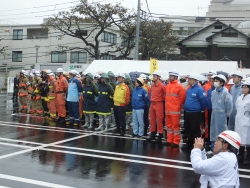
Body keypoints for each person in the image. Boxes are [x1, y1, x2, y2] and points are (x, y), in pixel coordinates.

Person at [182, 73, 207, 150]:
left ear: (195, 80)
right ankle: (189, 143)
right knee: (188, 129)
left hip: (195, 113)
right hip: (188, 112)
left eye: (190, 80)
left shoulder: (199, 90)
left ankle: (196, 145)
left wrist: (200, 109)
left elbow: (203, 101)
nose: (188, 81)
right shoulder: (189, 89)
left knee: (195, 129)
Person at [210, 75, 233, 150]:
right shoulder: (213, 92)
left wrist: (225, 115)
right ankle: (213, 147)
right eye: (214, 81)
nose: (215, 83)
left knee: (221, 132)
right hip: (214, 114)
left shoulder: (226, 93)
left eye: (217, 81)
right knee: (213, 131)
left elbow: (229, 106)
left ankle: (221, 148)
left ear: (222, 83)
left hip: (221, 115)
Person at [164, 69, 186, 148]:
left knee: (175, 126)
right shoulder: (168, 85)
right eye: (169, 76)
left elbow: (182, 98)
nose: (169, 77)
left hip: (175, 110)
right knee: (169, 126)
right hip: (168, 109)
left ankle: (176, 141)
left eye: (171, 76)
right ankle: (169, 140)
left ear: (175, 77)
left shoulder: (179, 86)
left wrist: (177, 105)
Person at [146, 70, 166, 143]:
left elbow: (166, 94)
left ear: (158, 77)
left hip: (158, 103)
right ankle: (153, 134)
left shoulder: (162, 86)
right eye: (153, 76)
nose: (153, 77)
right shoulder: (153, 85)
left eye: (154, 76)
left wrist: (161, 100)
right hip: (152, 103)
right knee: (152, 120)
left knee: (159, 120)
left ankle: (160, 135)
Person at [235, 81, 250, 164]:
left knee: (247, 140)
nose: (243, 89)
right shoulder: (239, 97)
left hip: (247, 122)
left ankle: (248, 157)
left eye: (246, 87)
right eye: (243, 87)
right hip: (239, 121)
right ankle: (240, 155)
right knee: (239, 139)